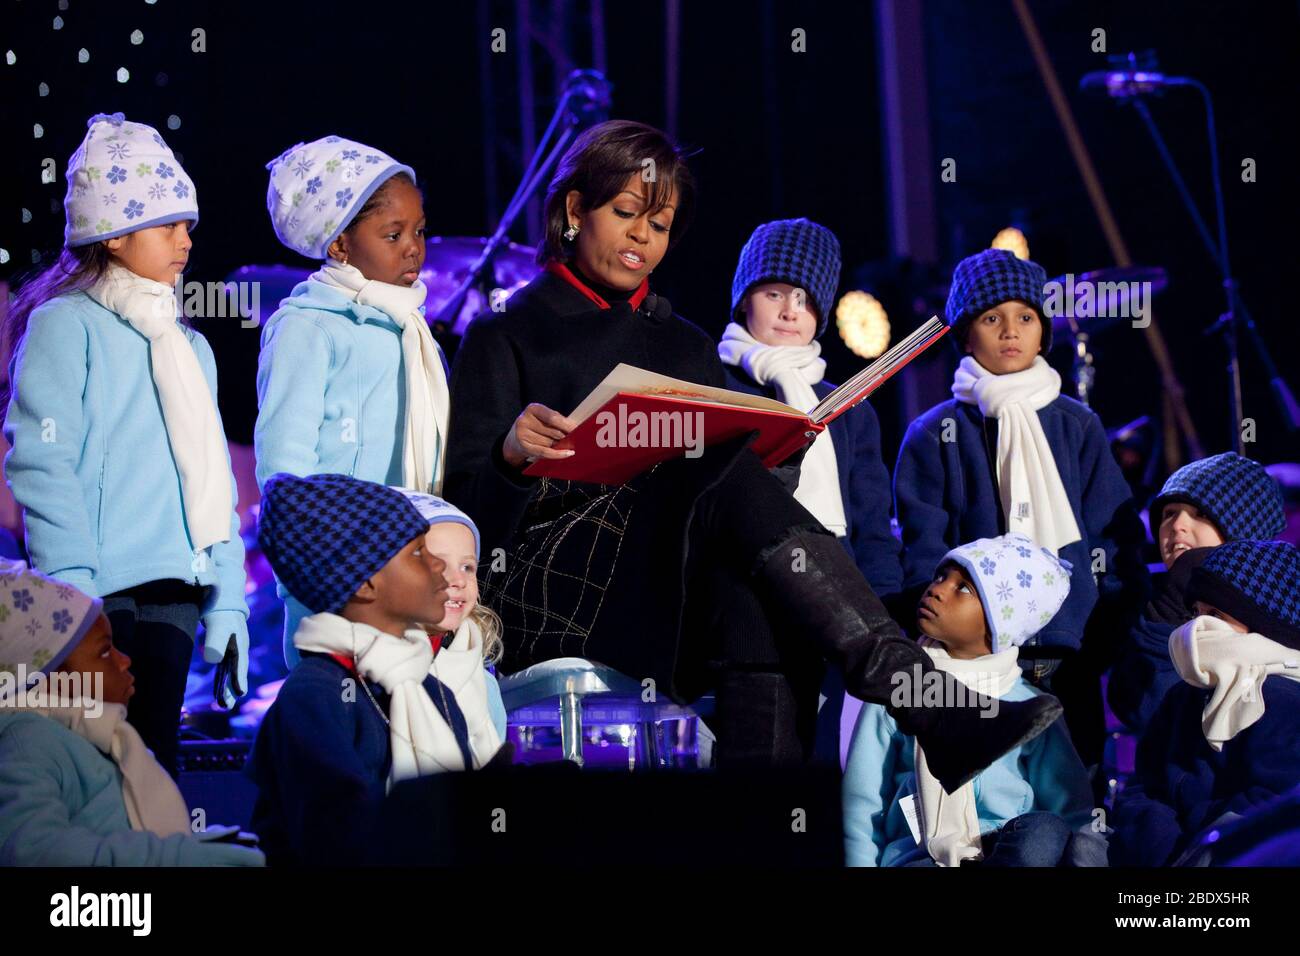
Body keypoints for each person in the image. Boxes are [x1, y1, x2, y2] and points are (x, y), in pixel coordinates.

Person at [445, 120, 1059, 789]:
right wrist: (510, 458)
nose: (642, 240)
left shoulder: (685, 345)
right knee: (721, 479)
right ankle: (919, 698)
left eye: (660, 226)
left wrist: (783, 449)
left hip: (671, 586)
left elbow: (735, 500)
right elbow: (466, 520)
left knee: (749, 557)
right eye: (626, 215)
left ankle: (765, 829)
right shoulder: (505, 334)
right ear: (573, 211)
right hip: (561, 588)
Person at [3, 112, 249, 776]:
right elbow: (42, 460)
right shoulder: (65, 325)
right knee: (95, 764)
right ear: (111, 237)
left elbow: (212, 480)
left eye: (189, 225)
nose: (185, 241)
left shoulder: (191, 346)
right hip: (97, 591)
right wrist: (71, 591)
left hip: (176, 584)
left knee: (154, 762)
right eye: (167, 223)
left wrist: (227, 597)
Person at [256, 135, 450, 667]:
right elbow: (284, 472)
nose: (414, 246)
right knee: (346, 728)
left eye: (419, 231)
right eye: (393, 234)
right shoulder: (306, 326)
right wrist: (316, 577)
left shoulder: (412, 330)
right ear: (339, 245)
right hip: (340, 582)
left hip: (411, 571)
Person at [245, 473, 505, 866]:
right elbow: (334, 830)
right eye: (419, 555)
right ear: (366, 584)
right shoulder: (315, 694)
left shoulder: (431, 689)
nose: (444, 571)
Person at [718, 217, 902, 761]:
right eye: (773, 292)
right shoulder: (715, 385)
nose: (789, 310)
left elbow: (873, 524)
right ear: (744, 299)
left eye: (804, 298)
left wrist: (885, 608)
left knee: (837, 777)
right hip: (750, 615)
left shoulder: (849, 404)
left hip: (840, 621)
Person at [844, 534, 1104, 866]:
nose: (936, 589)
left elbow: (1072, 806)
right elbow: (863, 802)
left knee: (1046, 831)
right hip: (922, 857)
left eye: (963, 588)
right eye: (941, 577)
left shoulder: (1030, 706)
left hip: (1007, 853)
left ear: (1000, 624)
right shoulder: (897, 687)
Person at [0, 560, 263, 866]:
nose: (124, 661)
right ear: (45, 677)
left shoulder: (90, 738)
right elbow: (32, 851)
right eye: (103, 652)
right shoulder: (27, 742)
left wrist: (202, 845)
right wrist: (178, 857)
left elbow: (111, 828)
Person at [1111, 541, 1300, 866]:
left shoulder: (1283, 701)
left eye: (1216, 615)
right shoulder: (1182, 695)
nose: (1197, 627)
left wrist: (1196, 841)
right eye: (1195, 612)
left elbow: (1272, 801)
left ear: (1264, 628)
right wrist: (1159, 840)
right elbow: (1144, 783)